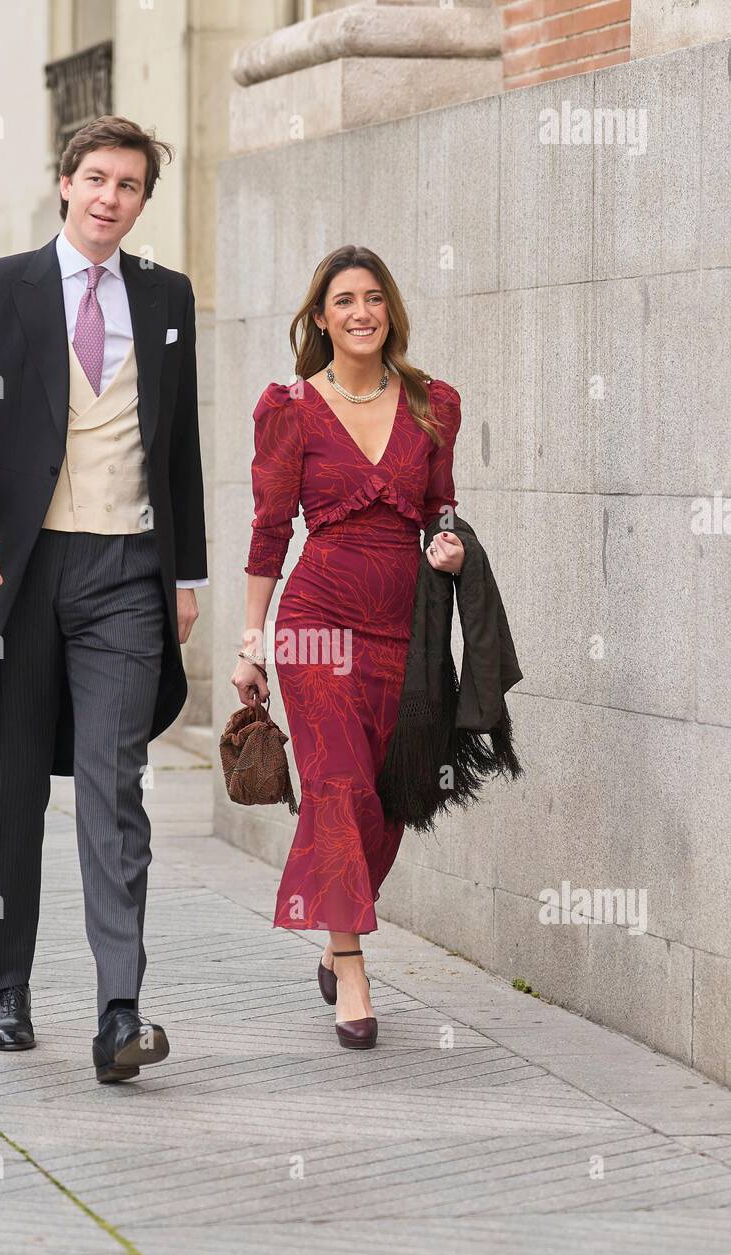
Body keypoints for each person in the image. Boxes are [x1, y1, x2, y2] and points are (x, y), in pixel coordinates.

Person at [0, 115, 207, 1084]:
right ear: (63, 183)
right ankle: (9, 986)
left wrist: (188, 575)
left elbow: (179, 449)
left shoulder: (166, 298)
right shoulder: (1, 287)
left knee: (113, 782)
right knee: (12, 788)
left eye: (127, 185)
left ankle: (119, 1007)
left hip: (125, 571)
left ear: (140, 201)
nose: (108, 198)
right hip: (18, 574)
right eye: (95, 178)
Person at [232, 246, 463, 1051]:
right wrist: (252, 644)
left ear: (389, 311)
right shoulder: (290, 408)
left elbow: (438, 509)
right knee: (337, 783)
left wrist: (447, 547)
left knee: (389, 801)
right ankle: (354, 966)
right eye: (344, 301)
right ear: (320, 317)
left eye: (374, 298)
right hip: (317, 623)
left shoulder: (433, 404)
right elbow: (268, 533)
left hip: (407, 629)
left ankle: (337, 927)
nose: (361, 312)